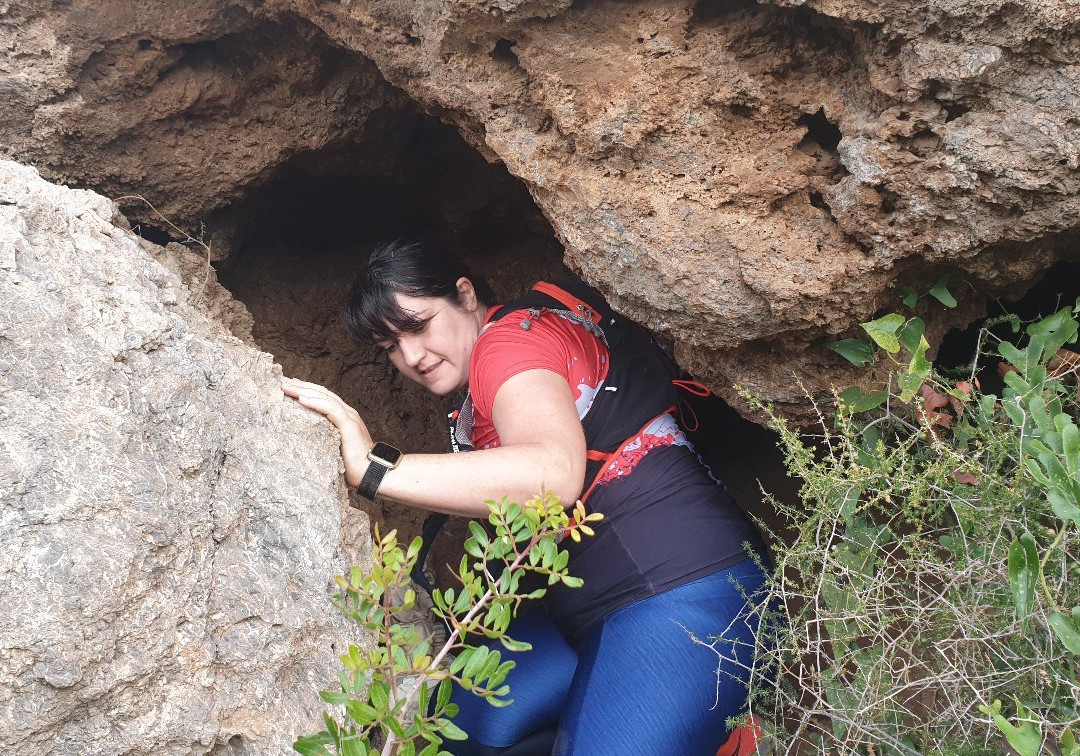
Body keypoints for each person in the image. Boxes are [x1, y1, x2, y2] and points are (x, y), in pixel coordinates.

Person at [281, 239, 768, 755]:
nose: (412, 356)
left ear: (465, 295)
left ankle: (720, 739)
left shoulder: (508, 345)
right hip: (593, 611)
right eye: (390, 348)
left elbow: (553, 474)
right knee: (459, 727)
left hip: (685, 592)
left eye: (419, 326)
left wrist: (376, 469)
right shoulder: (507, 353)